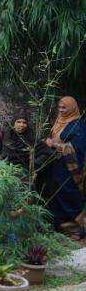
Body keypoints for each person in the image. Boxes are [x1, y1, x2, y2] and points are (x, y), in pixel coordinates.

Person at [44, 96, 86, 239]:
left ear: (72, 108)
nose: (61, 110)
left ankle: (76, 228)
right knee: (56, 193)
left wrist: (55, 145)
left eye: (64, 108)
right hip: (55, 165)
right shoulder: (58, 122)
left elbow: (78, 148)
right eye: (59, 107)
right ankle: (60, 226)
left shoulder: (78, 125)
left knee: (69, 192)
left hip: (70, 168)